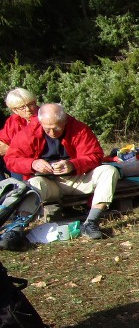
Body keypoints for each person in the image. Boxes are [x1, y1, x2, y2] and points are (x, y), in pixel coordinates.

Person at [4, 103, 120, 240]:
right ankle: (15, 230)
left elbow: (96, 155)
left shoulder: (79, 129)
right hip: (49, 183)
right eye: (48, 130)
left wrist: (73, 164)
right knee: (33, 184)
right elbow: (11, 159)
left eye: (57, 128)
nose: (53, 133)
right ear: (41, 122)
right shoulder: (28, 133)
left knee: (109, 170)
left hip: (79, 178)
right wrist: (32, 164)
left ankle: (91, 222)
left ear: (64, 120)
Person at [1, 88, 39, 179]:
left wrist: (10, 150)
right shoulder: (13, 120)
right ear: (15, 110)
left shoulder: (44, 117)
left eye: (31, 104)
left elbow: (36, 149)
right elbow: (3, 139)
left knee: (17, 167)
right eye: (22, 107)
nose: (28, 109)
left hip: (34, 162)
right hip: (16, 159)